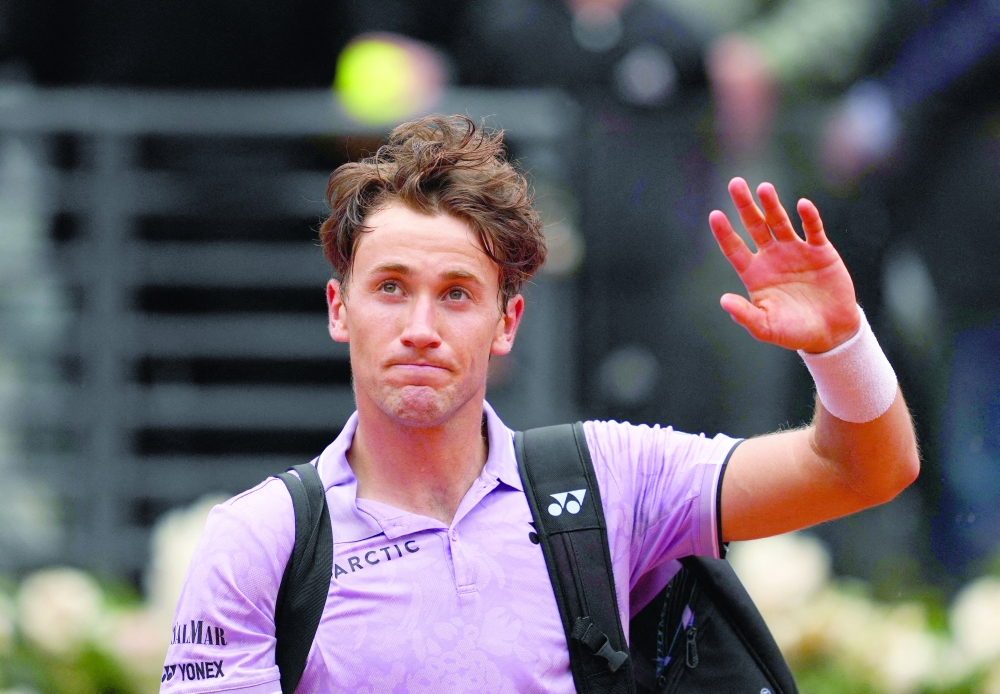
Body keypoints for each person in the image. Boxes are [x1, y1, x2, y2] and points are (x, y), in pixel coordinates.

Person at [159, 115, 918, 692]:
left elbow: (863, 470)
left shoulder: (608, 477)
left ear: (506, 322)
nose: (420, 329)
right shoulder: (258, 542)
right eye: (390, 288)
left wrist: (840, 343)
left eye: (457, 294)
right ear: (339, 308)